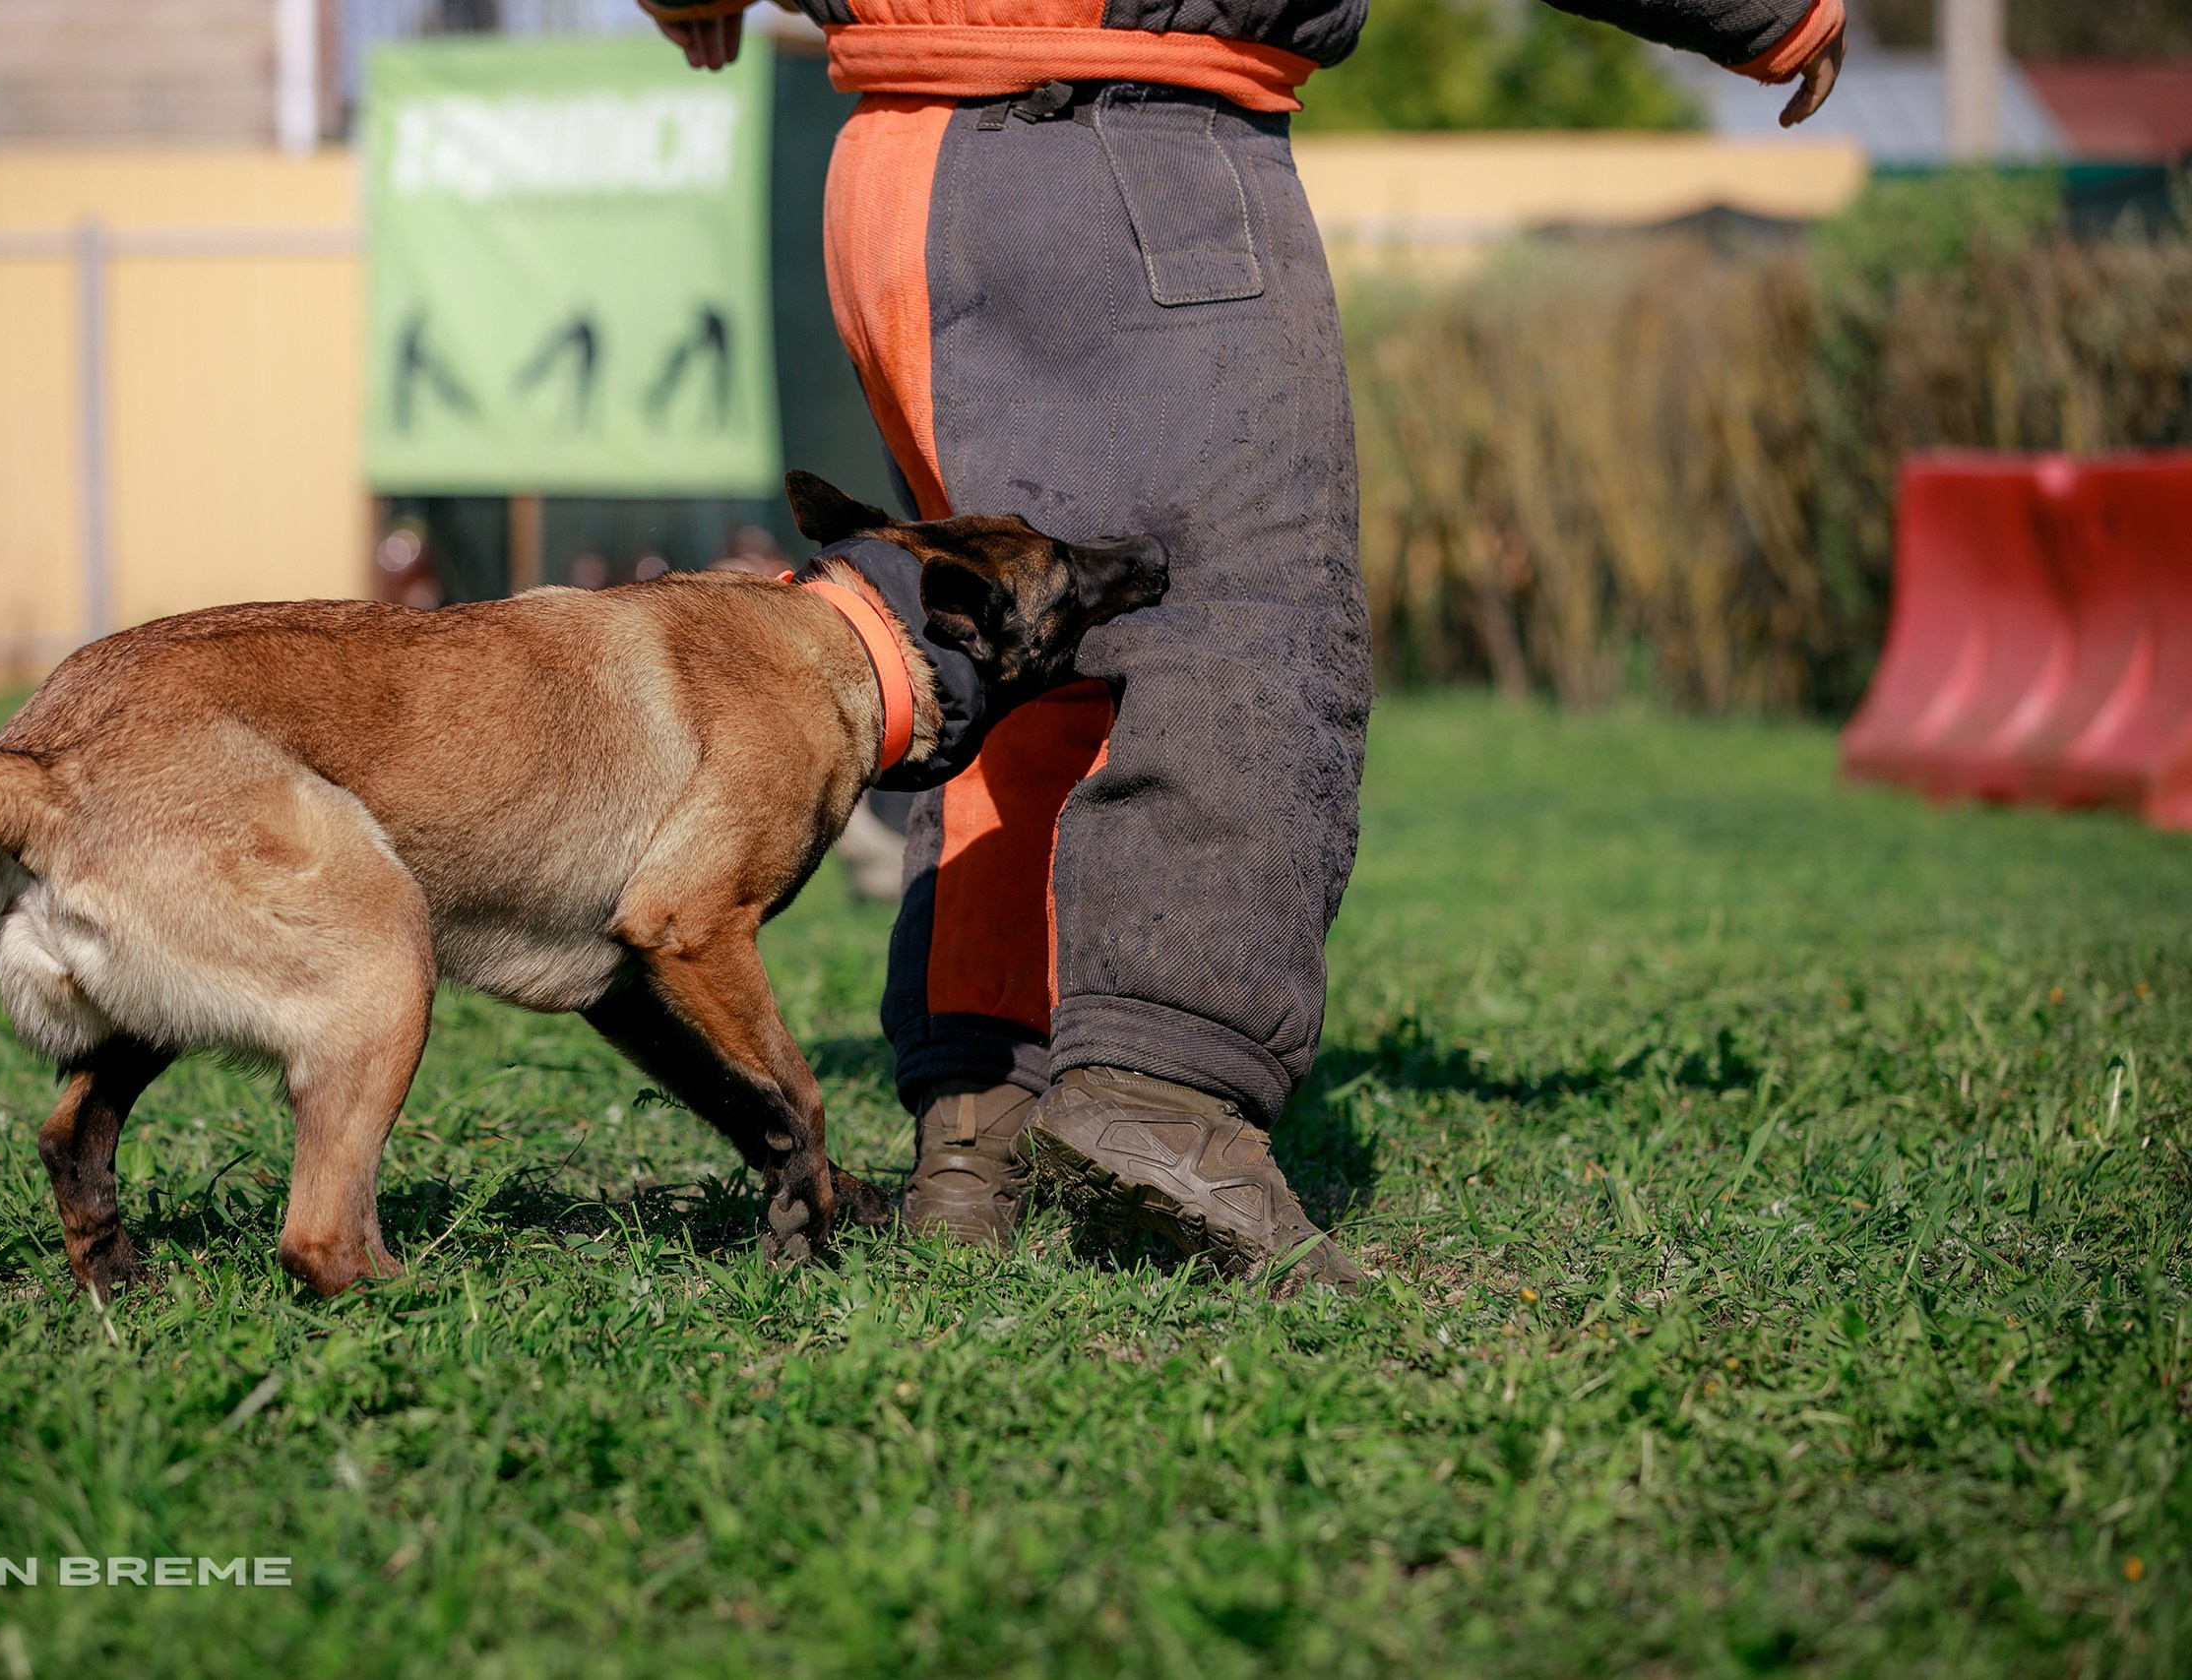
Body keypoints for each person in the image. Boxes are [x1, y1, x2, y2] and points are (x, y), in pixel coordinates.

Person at [647, 0, 1847, 1287]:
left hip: (900, 178)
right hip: (1131, 156)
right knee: (1245, 630)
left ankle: (978, 1132)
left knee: (1024, 653)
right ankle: (1166, 1097)